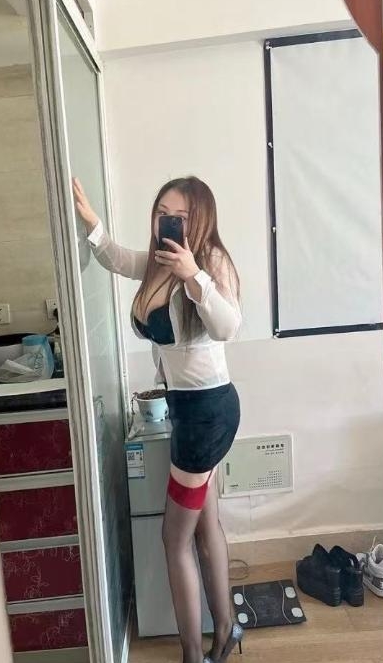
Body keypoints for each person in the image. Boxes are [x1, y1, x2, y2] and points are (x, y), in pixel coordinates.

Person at [73, 175, 243, 663]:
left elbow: (227, 326)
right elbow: (117, 259)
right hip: (188, 410)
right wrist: (92, 223)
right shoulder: (158, 263)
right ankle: (225, 630)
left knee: (174, 538)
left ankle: (194, 654)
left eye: (181, 216)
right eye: (163, 213)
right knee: (205, 523)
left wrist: (195, 276)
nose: (168, 223)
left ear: (201, 219)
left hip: (207, 414)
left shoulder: (209, 261)